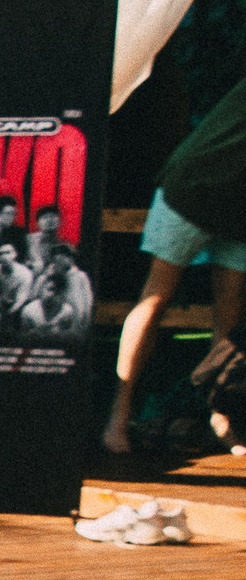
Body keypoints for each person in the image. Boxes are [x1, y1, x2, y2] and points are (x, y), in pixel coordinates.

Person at [103, 75, 246, 454]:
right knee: (155, 299)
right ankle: (117, 417)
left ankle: (222, 419)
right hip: (193, 188)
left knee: (229, 317)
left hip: (237, 206)